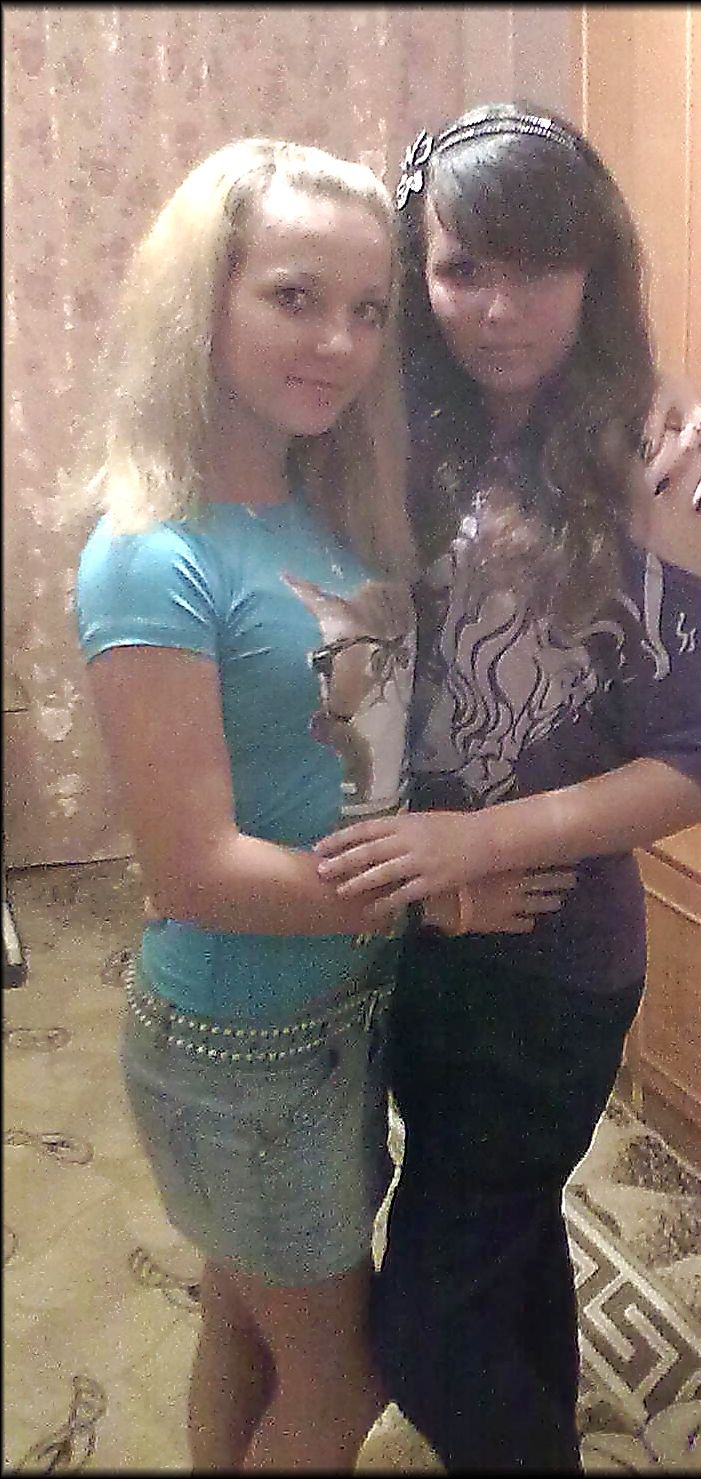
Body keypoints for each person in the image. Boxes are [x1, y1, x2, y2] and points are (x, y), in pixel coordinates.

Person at [314, 104, 701, 1473]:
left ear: (594, 269)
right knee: (496, 1244)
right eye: (463, 269)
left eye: (540, 267)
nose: (499, 310)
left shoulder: (660, 464)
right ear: (420, 269)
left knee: (423, 1325)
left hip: (553, 960)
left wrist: (474, 841)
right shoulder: (407, 424)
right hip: (411, 930)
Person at [73, 135, 426, 1474]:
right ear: (202, 301)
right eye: (293, 297)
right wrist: (437, 889)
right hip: (242, 1038)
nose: (338, 343)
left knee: (246, 1316)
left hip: (335, 1005)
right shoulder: (150, 552)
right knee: (340, 1382)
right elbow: (196, 871)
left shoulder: (322, 503)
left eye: (367, 309)